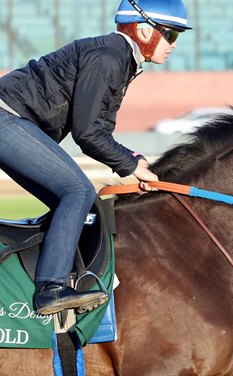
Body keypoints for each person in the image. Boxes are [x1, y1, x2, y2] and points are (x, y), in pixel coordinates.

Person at [0, 0, 191, 315]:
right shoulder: (109, 56)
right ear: (145, 31)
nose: (173, 45)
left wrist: (133, 163)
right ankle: (51, 289)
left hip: (13, 123)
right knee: (77, 191)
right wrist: (131, 165)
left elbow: (98, 129)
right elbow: (88, 134)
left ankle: (57, 275)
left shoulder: (120, 60)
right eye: (170, 35)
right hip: (7, 120)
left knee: (80, 202)